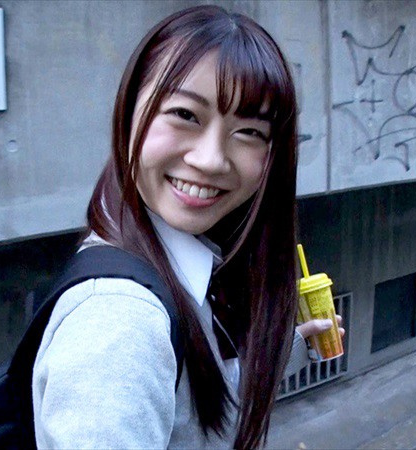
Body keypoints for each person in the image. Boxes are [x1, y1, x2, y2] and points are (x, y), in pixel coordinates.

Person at [31, 5, 343, 449]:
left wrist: (289, 348)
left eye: (250, 132)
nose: (211, 160)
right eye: (185, 114)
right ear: (129, 112)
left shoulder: (172, 263)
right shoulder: (120, 326)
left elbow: (196, 409)